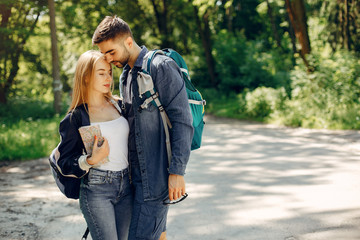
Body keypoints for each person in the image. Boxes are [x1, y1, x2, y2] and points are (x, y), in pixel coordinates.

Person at [92, 16, 194, 240]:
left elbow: (182, 121)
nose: (108, 60)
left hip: (156, 179)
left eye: (111, 52)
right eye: (104, 54)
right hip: (134, 179)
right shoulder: (126, 75)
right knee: (159, 235)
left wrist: (177, 172)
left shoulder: (160, 66)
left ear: (128, 42)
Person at [56, 50, 133, 240]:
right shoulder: (76, 117)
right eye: (101, 73)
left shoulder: (120, 105)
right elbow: (64, 161)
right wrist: (90, 160)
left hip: (127, 186)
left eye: (109, 72)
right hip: (97, 190)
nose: (107, 78)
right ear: (86, 77)